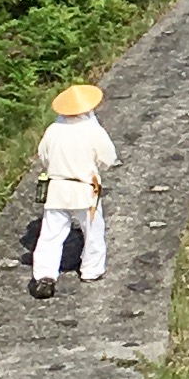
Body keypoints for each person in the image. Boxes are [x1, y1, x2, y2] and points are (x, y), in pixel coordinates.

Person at [29, 81, 116, 296]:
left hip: (57, 188)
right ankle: (91, 270)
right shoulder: (93, 130)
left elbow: (43, 156)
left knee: (50, 234)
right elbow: (108, 158)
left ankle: (45, 276)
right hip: (84, 189)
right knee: (93, 230)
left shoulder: (53, 130)